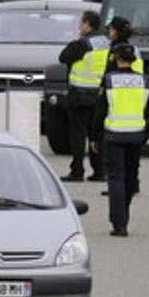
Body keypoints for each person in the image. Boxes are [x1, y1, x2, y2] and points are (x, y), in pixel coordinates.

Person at [90, 43, 149, 237]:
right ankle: (125, 215)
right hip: (137, 136)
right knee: (130, 178)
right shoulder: (144, 81)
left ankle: (119, 224)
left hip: (113, 135)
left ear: (117, 58)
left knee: (115, 178)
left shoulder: (109, 80)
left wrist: (94, 137)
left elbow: (100, 111)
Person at [59, 10, 110, 182]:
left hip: (81, 94)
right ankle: (99, 171)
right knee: (96, 134)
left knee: (78, 135)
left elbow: (63, 57)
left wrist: (75, 41)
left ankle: (77, 170)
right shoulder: (107, 42)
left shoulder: (83, 43)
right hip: (99, 94)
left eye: (81, 23)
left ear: (88, 25)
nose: (79, 27)